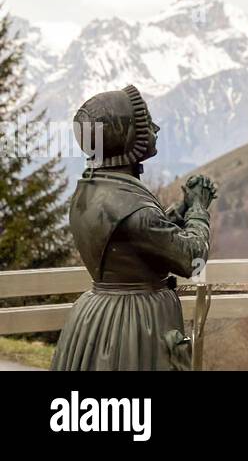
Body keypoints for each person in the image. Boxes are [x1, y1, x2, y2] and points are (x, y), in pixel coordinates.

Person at [51, 84, 217, 370]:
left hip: (97, 314)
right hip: (135, 323)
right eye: (145, 124)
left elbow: (140, 239)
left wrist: (179, 210)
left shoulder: (90, 190)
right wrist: (199, 208)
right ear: (127, 137)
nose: (155, 128)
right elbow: (193, 259)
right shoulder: (131, 207)